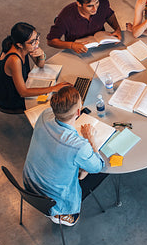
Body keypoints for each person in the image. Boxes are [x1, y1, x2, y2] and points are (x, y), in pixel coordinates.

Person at [23, 86, 105, 226]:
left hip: (29, 184)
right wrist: (91, 139)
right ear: (79, 112)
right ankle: (65, 214)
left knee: (79, 167)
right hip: (53, 203)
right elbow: (98, 166)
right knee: (101, 171)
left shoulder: (44, 115)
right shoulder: (79, 147)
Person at [0, 22, 71, 110]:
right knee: (53, 102)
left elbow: (40, 65)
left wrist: (42, 55)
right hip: (11, 97)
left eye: (37, 37)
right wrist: (53, 88)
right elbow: (23, 92)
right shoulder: (14, 60)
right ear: (20, 44)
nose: (37, 43)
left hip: (22, 85)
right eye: (33, 42)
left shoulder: (24, 45)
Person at [47, 0, 122, 54]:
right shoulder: (66, 16)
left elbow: (109, 15)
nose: (95, 9)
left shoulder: (103, 4)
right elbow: (51, 41)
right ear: (79, 3)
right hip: (78, 51)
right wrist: (72, 45)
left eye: (96, 3)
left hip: (101, 48)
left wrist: (117, 29)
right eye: (90, 6)